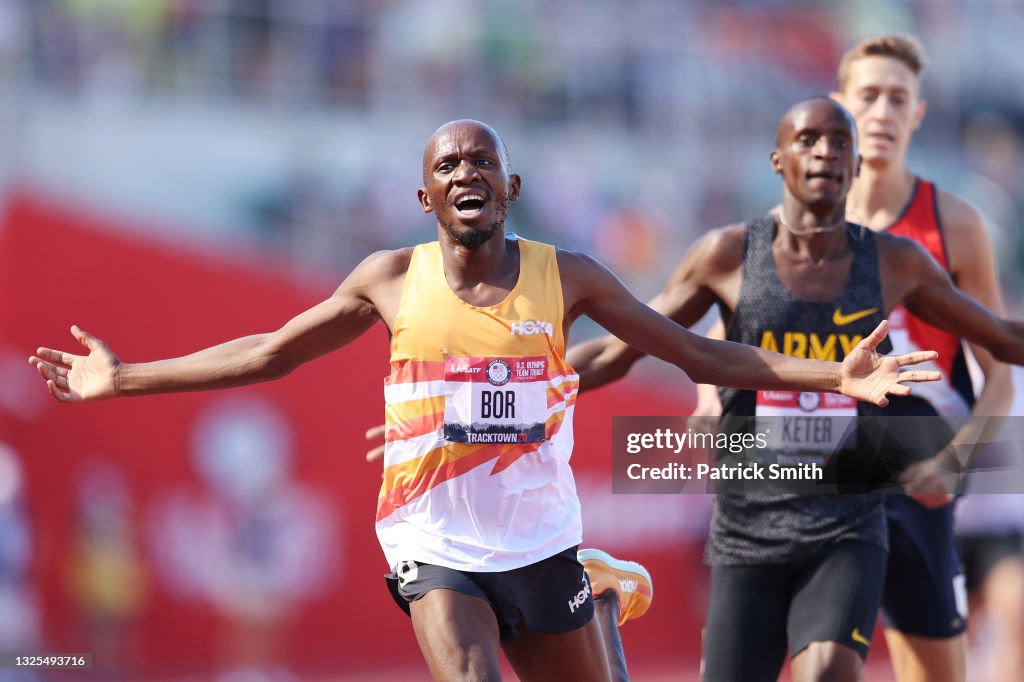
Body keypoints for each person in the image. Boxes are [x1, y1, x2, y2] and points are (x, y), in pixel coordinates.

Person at [28, 119, 937, 682]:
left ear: (509, 187)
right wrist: (126, 377)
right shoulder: (388, 279)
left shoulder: (567, 275)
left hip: (539, 539)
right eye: (448, 162)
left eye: (482, 161)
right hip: (431, 537)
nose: (466, 171)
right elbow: (268, 354)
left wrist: (833, 376)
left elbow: (696, 349)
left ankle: (602, 601)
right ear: (426, 194)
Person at [565, 98, 1024, 682]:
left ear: (857, 167)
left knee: (829, 671)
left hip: (849, 526)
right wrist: (534, 377)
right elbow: (618, 349)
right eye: (809, 140)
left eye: (840, 142)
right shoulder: (726, 255)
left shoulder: (894, 263)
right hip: (749, 530)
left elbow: (998, 334)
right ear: (778, 160)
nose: (826, 152)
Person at [830, 34, 1014, 682]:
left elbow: (1000, 379)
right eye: (868, 96)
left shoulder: (954, 224)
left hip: (918, 486)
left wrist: (953, 463)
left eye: (897, 98)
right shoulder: (796, 227)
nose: (881, 112)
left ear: (918, 115)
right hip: (824, 484)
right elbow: (743, 345)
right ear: (838, 107)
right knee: (823, 663)